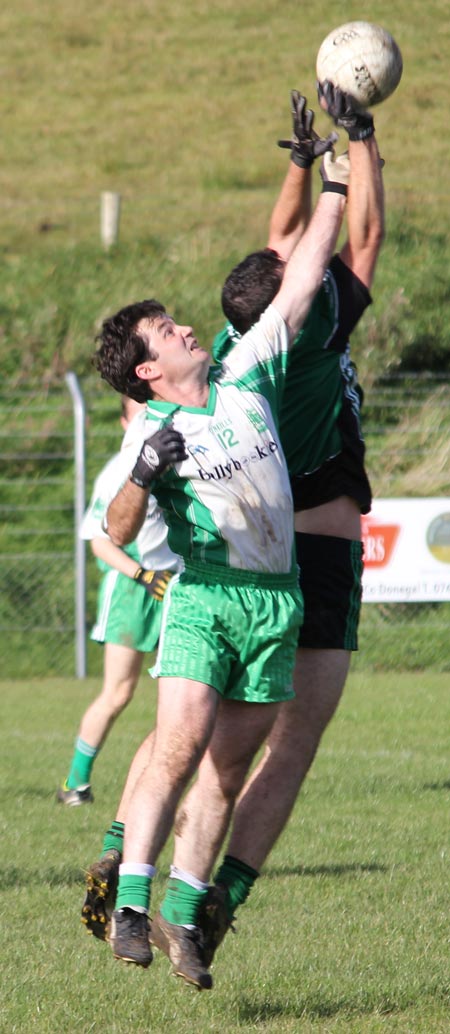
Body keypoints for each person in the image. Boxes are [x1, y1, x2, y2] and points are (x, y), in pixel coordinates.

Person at [86, 141, 346, 990]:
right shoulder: (151, 437)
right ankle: (128, 902)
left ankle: (185, 915)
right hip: (206, 597)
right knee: (178, 744)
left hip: (277, 602)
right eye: (169, 330)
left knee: (228, 772)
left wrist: (335, 179)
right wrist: (146, 473)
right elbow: (118, 526)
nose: (189, 326)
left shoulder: (248, 374)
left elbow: (301, 275)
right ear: (149, 367)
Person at [183, 82, 385, 964]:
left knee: (215, 744)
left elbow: (280, 245)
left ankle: (146, 861)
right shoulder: (317, 332)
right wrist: (362, 141)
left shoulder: (244, 344)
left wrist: (302, 167)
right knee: (292, 745)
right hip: (325, 546)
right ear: (300, 297)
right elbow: (367, 236)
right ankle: (219, 897)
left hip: (253, 559)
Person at [57, 396, 178, 806]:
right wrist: (143, 575)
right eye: (140, 412)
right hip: (134, 588)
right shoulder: (118, 471)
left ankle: (168, 782)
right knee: (119, 691)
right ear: (126, 422)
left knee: (183, 692)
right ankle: (75, 784)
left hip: (177, 585)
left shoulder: (178, 455)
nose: (149, 417)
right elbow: (97, 540)